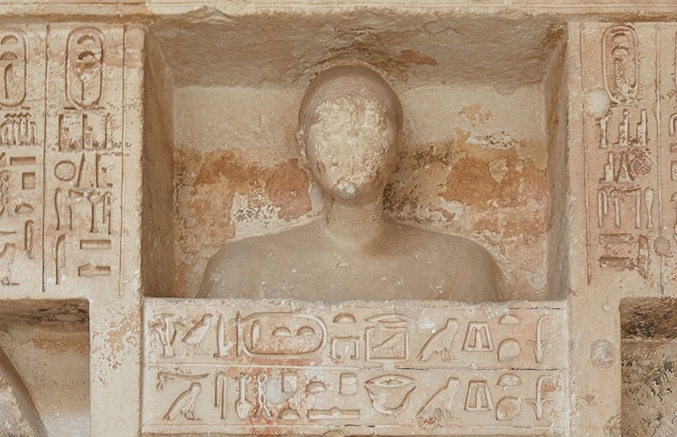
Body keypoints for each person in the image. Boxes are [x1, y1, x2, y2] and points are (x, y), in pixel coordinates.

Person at [198, 64, 503, 301]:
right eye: (332, 125)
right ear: (303, 147)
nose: (352, 143)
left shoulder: (460, 267)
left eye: (372, 124)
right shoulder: (241, 270)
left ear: (398, 146)